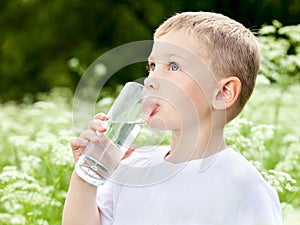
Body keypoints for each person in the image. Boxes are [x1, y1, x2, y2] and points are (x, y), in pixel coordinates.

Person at [62, 11, 282, 225]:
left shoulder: (245, 188)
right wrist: (87, 176)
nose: (150, 80)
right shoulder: (133, 167)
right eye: (152, 66)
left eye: (174, 66)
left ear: (223, 92)